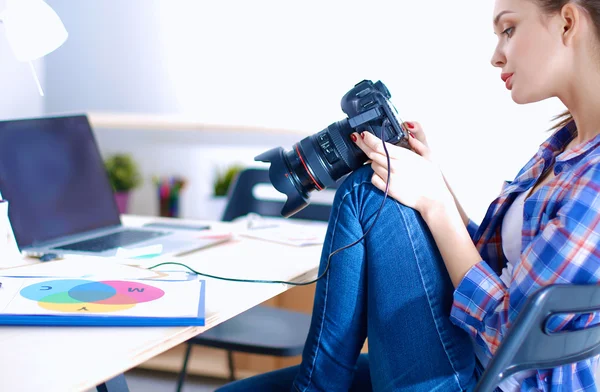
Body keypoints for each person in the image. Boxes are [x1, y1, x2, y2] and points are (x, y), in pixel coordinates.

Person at [217, 0, 600, 390]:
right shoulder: (563, 147)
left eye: (509, 30)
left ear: (568, 23)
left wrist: (435, 203)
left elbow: (514, 340)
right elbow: (488, 263)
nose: (496, 56)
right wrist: (433, 182)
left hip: (494, 379)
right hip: (472, 359)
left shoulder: (596, 181)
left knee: (367, 191)